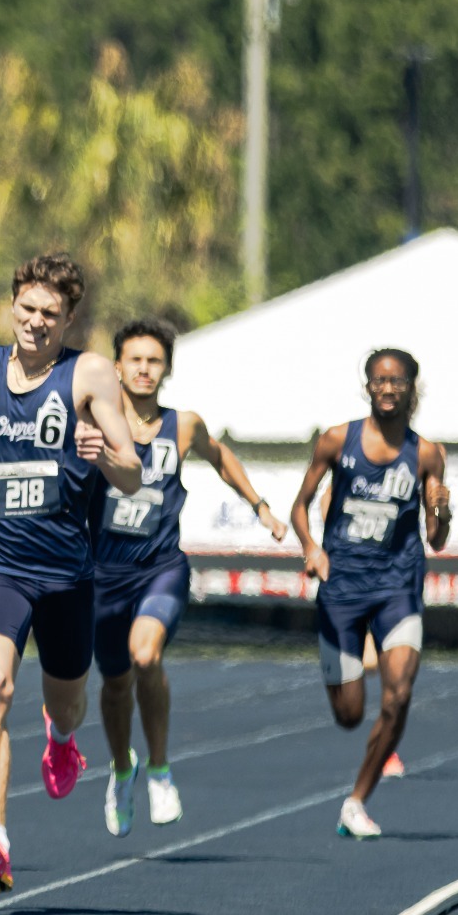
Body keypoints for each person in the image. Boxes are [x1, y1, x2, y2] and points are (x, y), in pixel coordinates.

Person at [0, 252, 141, 894]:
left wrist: (104, 453)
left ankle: (62, 737)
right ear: (12, 304)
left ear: (69, 318)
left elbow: (132, 471)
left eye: (51, 314)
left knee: (66, 701)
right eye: (27, 309)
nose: (36, 323)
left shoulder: (90, 375)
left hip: (65, 568)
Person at [93, 319, 288, 834]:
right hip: (102, 577)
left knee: (145, 654)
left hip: (160, 568)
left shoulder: (183, 425)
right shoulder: (92, 422)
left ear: (167, 370)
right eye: (134, 359)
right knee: (115, 685)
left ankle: (159, 768)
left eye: (153, 361)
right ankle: (121, 768)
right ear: (116, 366)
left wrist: (260, 507)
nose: (143, 369)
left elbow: (220, 456)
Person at [288, 349, 450, 839]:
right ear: (367, 386)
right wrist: (312, 547)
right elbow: (301, 505)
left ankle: (356, 801)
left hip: (397, 585)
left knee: (398, 696)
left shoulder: (426, 454)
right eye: (378, 381)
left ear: (410, 388)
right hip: (342, 587)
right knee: (350, 713)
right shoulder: (337, 440)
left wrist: (443, 512)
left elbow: (436, 538)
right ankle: (343, 683)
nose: (387, 389)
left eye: (396, 381)